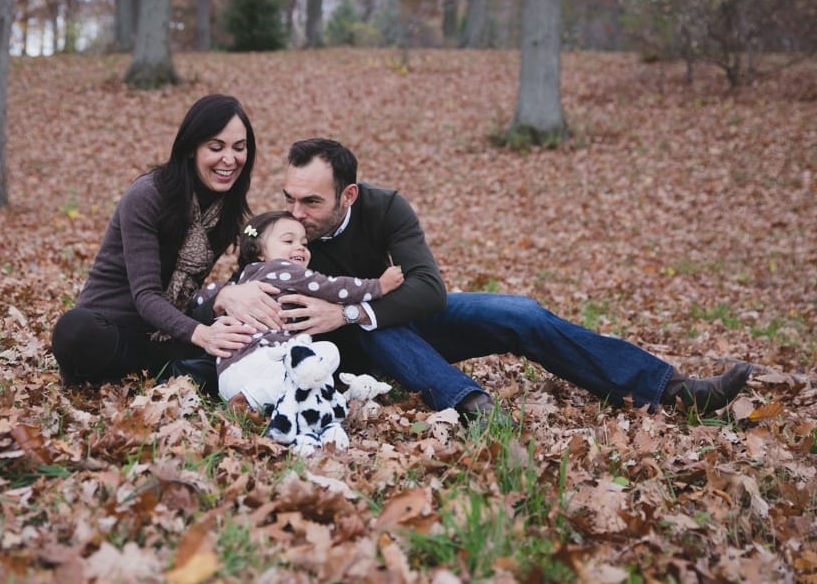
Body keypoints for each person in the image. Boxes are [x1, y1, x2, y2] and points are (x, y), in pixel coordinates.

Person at [201, 138, 752, 422]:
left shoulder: (387, 208)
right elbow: (244, 289)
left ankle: (672, 392)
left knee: (519, 313)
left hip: (380, 318)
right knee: (375, 328)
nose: (296, 213)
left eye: (311, 201)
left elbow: (428, 289)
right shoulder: (278, 231)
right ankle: (472, 407)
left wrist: (347, 310)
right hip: (332, 353)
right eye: (289, 198)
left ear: (348, 195)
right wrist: (228, 293)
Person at [50, 94, 281, 389]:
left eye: (239, 148)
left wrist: (283, 252)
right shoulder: (147, 196)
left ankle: (169, 373)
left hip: (169, 336)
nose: (229, 159)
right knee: (74, 330)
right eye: (215, 147)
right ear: (190, 149)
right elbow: (145, 296)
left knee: (242, 338)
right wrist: (203, 334)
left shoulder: (227, 211)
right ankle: (176, 372)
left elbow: (253, 245)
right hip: (114, 329)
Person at [191, 210, 403, 409]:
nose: (301, 247)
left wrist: (219, 297)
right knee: (325, 353)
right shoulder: (282, 270)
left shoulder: (242, 283)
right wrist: (379, 286)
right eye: (288, 241)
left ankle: (278, 401)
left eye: (304, 242)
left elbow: (202, 296)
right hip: (262, 361)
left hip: (227, 375)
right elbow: (333, 287)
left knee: (307, 372)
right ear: (259, 252)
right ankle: (251, 399)